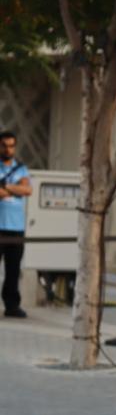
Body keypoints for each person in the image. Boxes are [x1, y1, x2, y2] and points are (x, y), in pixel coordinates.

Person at [0, 131, 32, 318]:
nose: (8, 149)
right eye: (4, 145)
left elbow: (27, 190)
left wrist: (6, 187)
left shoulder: (21, 169)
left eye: (11, 146)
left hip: (16, 228)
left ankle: (12, 306)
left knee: (13, 270)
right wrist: (16, 188)